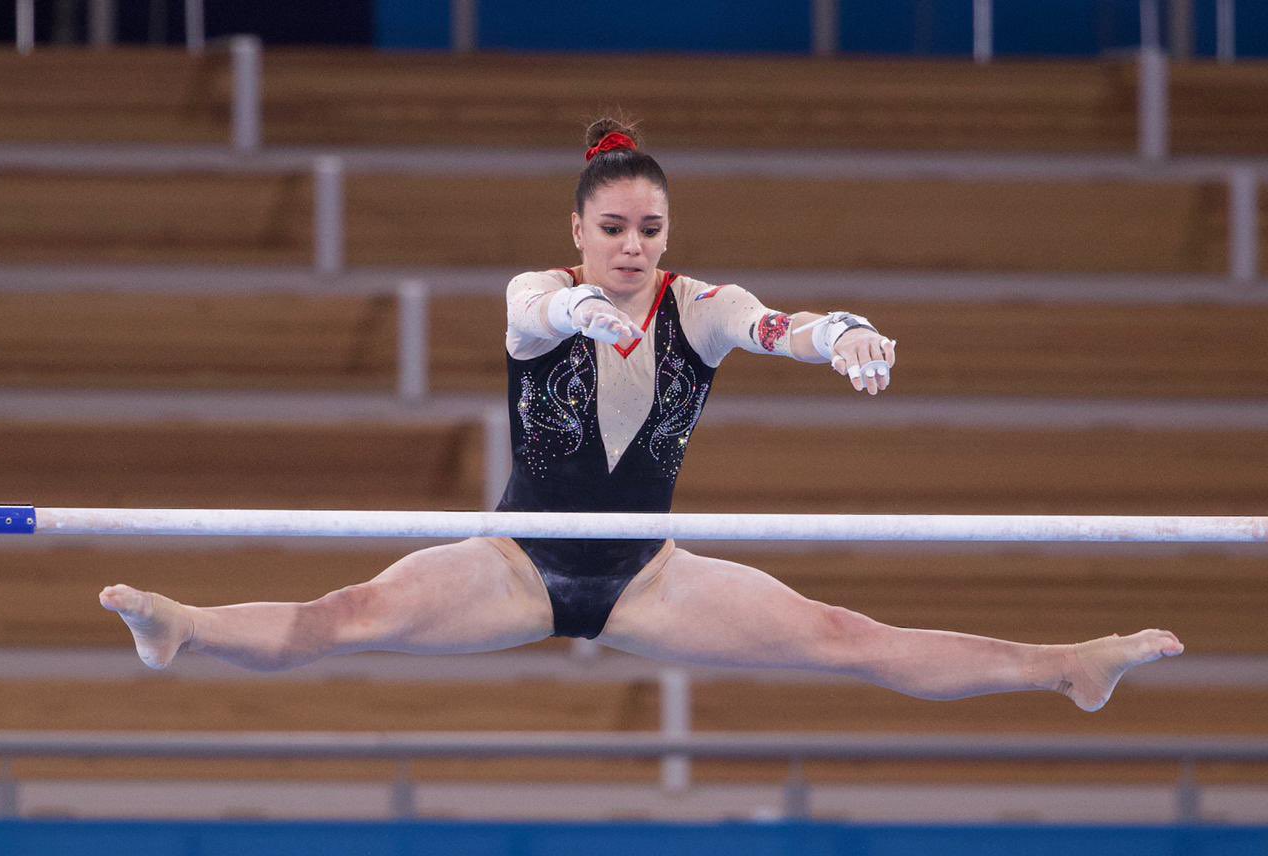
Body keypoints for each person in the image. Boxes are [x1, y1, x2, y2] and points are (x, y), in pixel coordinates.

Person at [100, 118, 1183, 713]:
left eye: (648, 229)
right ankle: (184, 624)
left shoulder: (700, 309)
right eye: (611, 228)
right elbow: (535, 314)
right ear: (577, 232)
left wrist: (840, 333)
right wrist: (582, 309)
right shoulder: (538, 295)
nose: (631, 246)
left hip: (650, 577)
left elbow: (779, 326)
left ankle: (1065, 664)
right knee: (343, 614)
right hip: (516, 561)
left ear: (665, 236)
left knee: (851, 639)